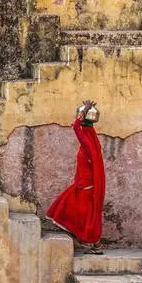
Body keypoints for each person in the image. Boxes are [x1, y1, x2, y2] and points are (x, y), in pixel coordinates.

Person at [46, 100, 106, 254]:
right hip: (86, 184)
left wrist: (84, 110)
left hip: (84, 185)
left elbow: (75, 127)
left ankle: (90, 243)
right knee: (89, 215)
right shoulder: (93, 141)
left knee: (71, 208)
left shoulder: (86, 139)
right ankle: (94, 244)